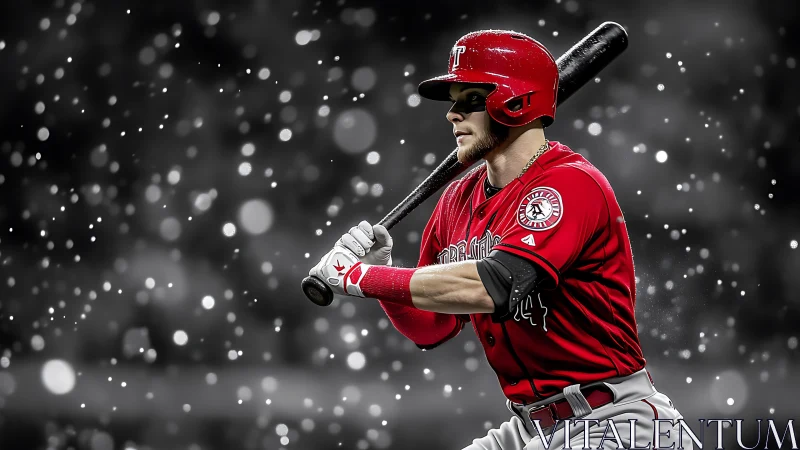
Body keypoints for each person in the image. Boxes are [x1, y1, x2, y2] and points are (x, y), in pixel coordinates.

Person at [309, 30, 691, 450]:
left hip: (614, 420)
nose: (453, 114)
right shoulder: (457, 199)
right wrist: (385, 275)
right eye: (454, 101)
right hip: (530, 426)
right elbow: (431, 328)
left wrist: (359, 278)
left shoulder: (568, 185)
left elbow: (495, 284)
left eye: (470, 99)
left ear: (515, 101)